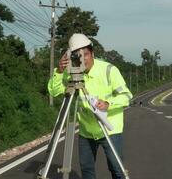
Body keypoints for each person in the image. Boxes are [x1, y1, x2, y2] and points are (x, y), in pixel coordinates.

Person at [47, 33, 132, 179]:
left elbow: (127, 96)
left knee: (116, 168)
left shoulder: (108, 70)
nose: (82, 59)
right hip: (86, 131)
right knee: (86, 169)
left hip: (109, 129)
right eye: (77, 55)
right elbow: (54, 92)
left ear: (92, 53)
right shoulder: (70, 73)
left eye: (84, 54)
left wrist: (108, 104)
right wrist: (59, 72)